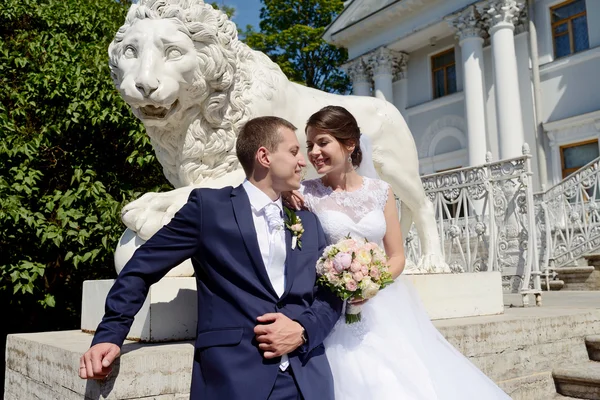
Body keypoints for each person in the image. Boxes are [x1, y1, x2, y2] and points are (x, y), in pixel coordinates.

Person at [79, 116, 343, 400]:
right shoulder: (209, 209)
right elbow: (141, 268)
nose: (303, 161)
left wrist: (303, 330)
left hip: (307, 381)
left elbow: (330, 293)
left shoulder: (308, 221)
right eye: (293, 152)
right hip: (232, 379)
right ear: (264, 156)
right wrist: (110, 334)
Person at [284, 105, 511, 400]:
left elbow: (397, 257)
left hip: (384, 305)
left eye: (322, 142)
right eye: (310, 145)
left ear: (349, 144)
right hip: (331, 307)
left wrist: (370, 283)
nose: (314, 152)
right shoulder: (306, 193)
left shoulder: (381, 191)